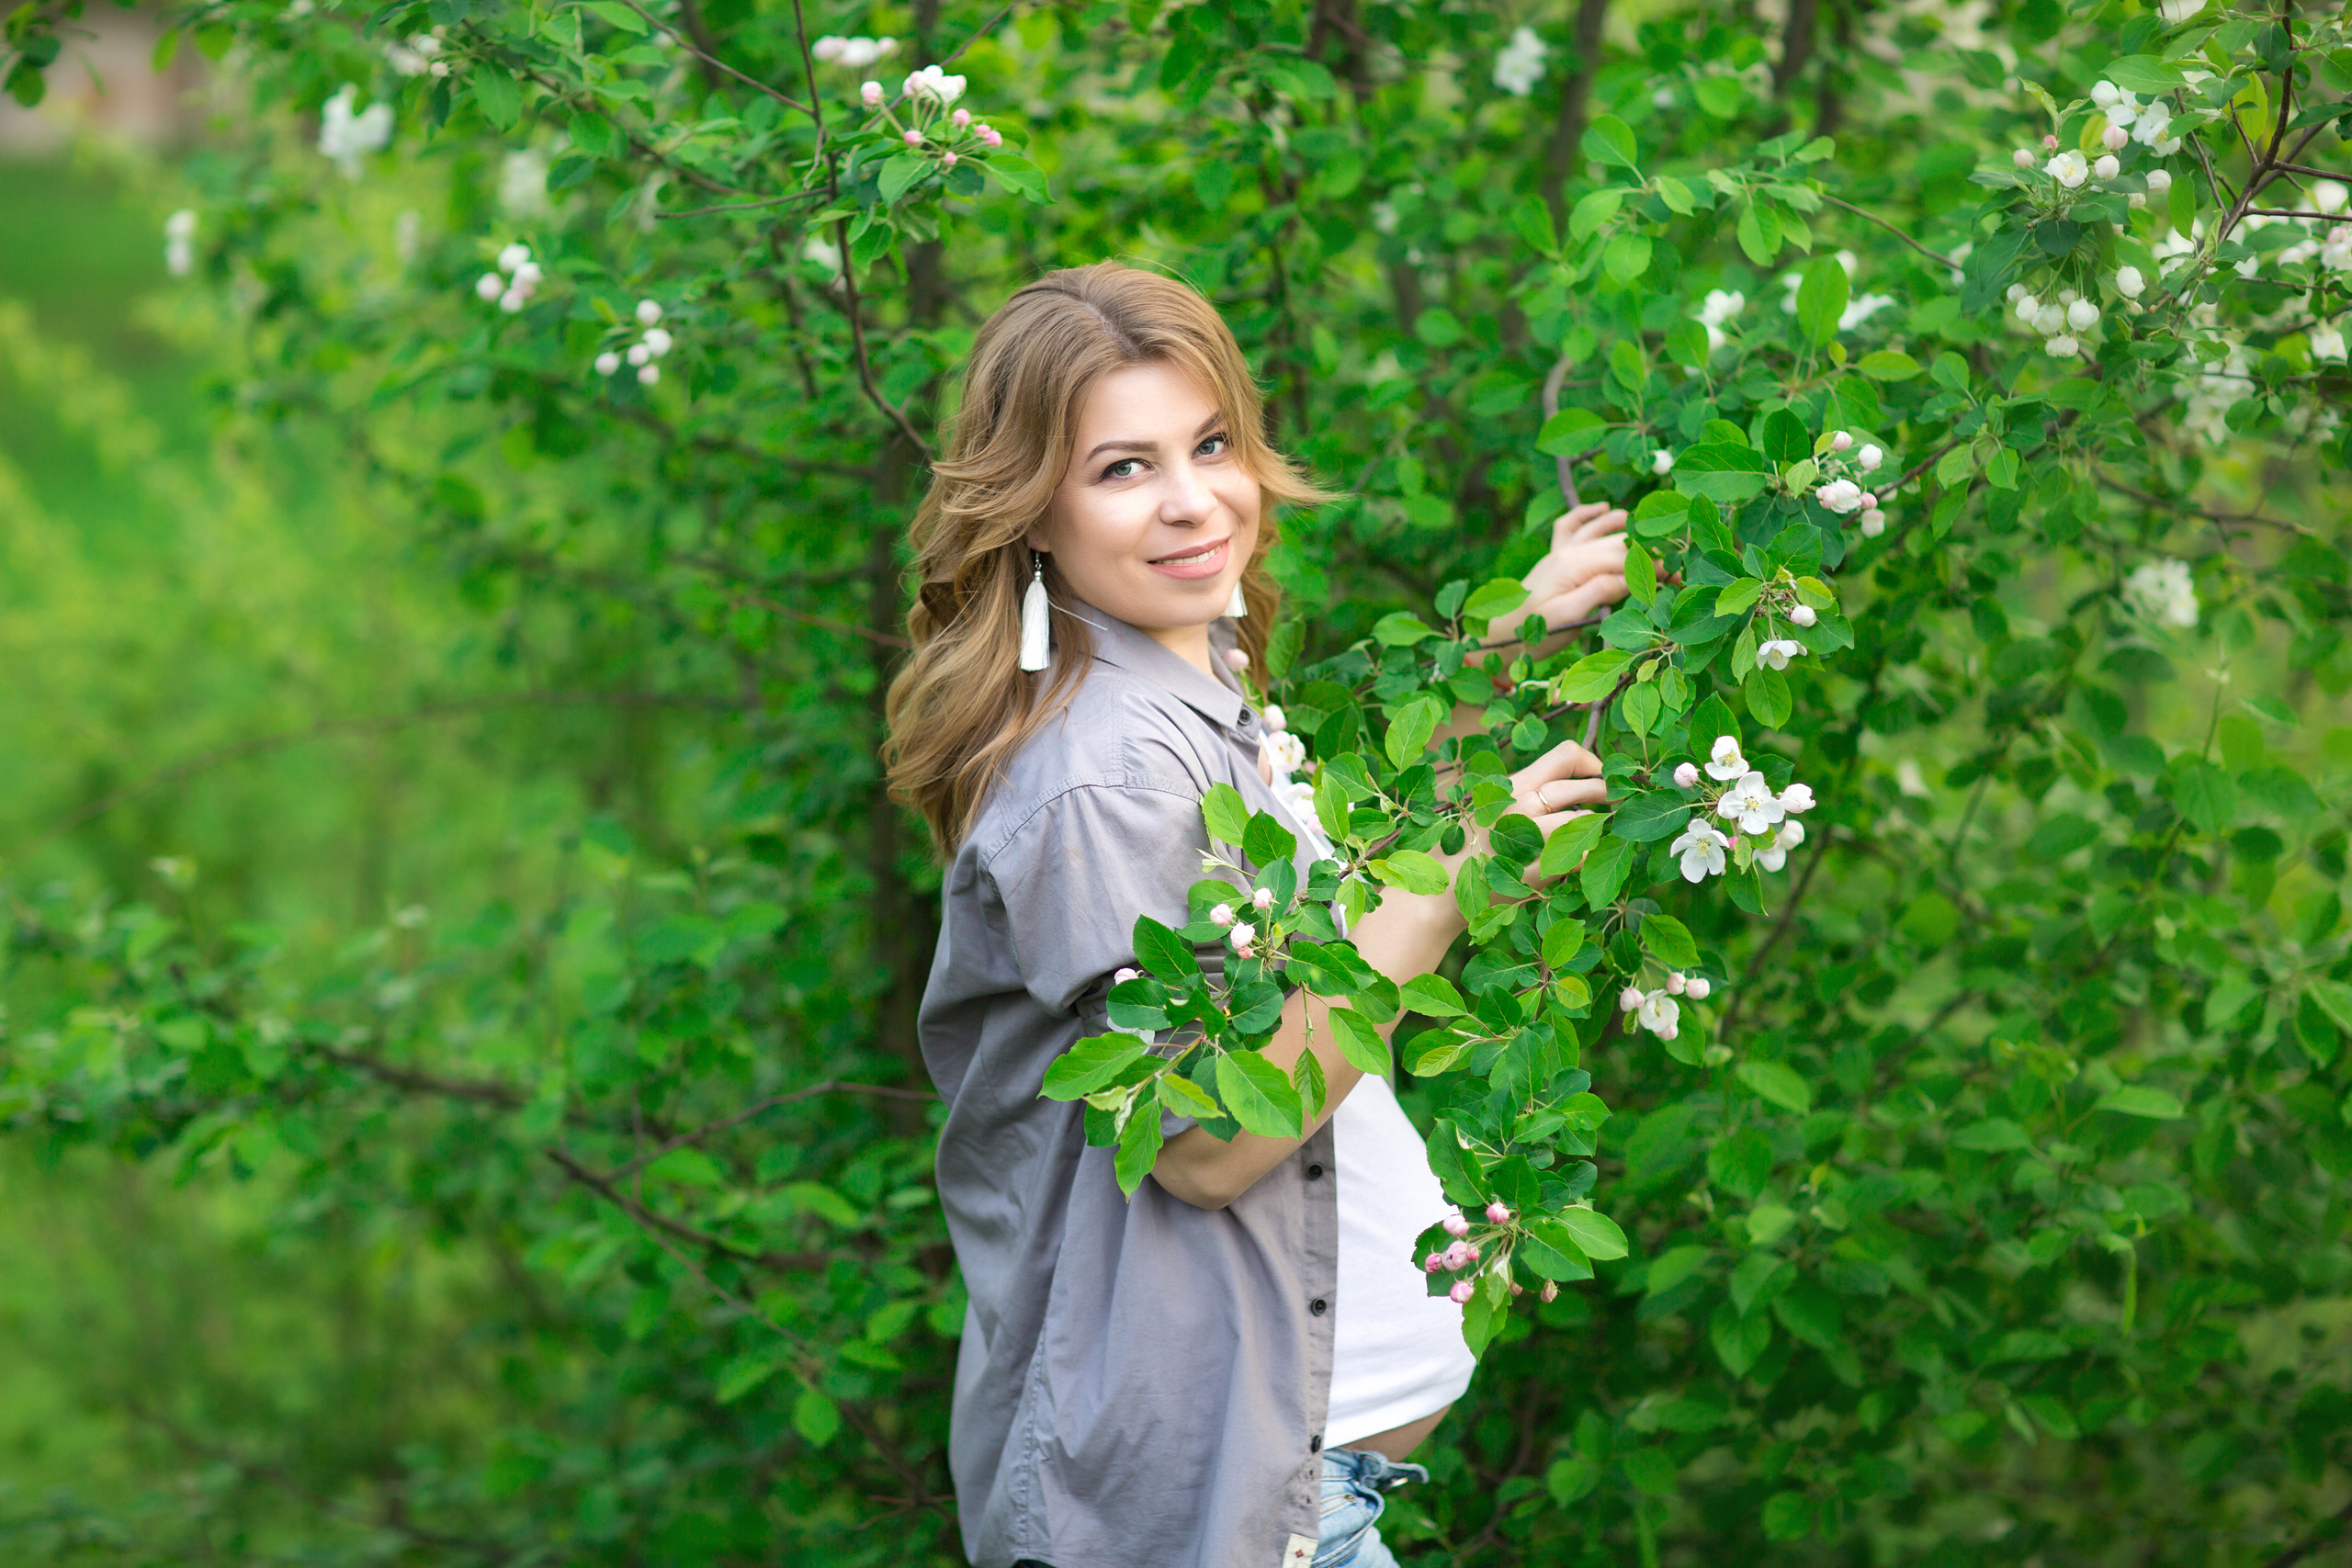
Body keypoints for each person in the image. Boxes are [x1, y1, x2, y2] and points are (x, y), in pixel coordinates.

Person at [884, 262, 1629, 1568]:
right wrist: (1455, 884)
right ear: (1031, 509)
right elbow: (1212, 1140)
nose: (1192, 502)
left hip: (1297, 1497)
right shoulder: (1102, 780)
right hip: (1210, 1524)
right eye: (1123, 469)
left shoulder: (1182, 659)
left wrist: (1506, 640)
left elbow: (1327, 880)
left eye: (1211, 443)